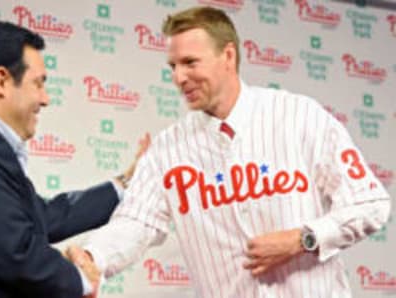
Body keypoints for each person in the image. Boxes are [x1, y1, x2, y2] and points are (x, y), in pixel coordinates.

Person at [66, 6, 392, 298]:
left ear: (229, 56)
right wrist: (95, 257)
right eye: (173, 65)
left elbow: (370, 204)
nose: (179, 77)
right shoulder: (167, 149)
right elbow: (135, 223)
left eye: (190, 63)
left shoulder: (300, 116)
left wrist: (303, 239)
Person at [0, 20, 148, 298]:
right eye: (38, 84)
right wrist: (81, 279)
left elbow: (45, 217)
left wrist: (126, 181)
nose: (46, 99)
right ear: (1, 82)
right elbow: (13, 251)